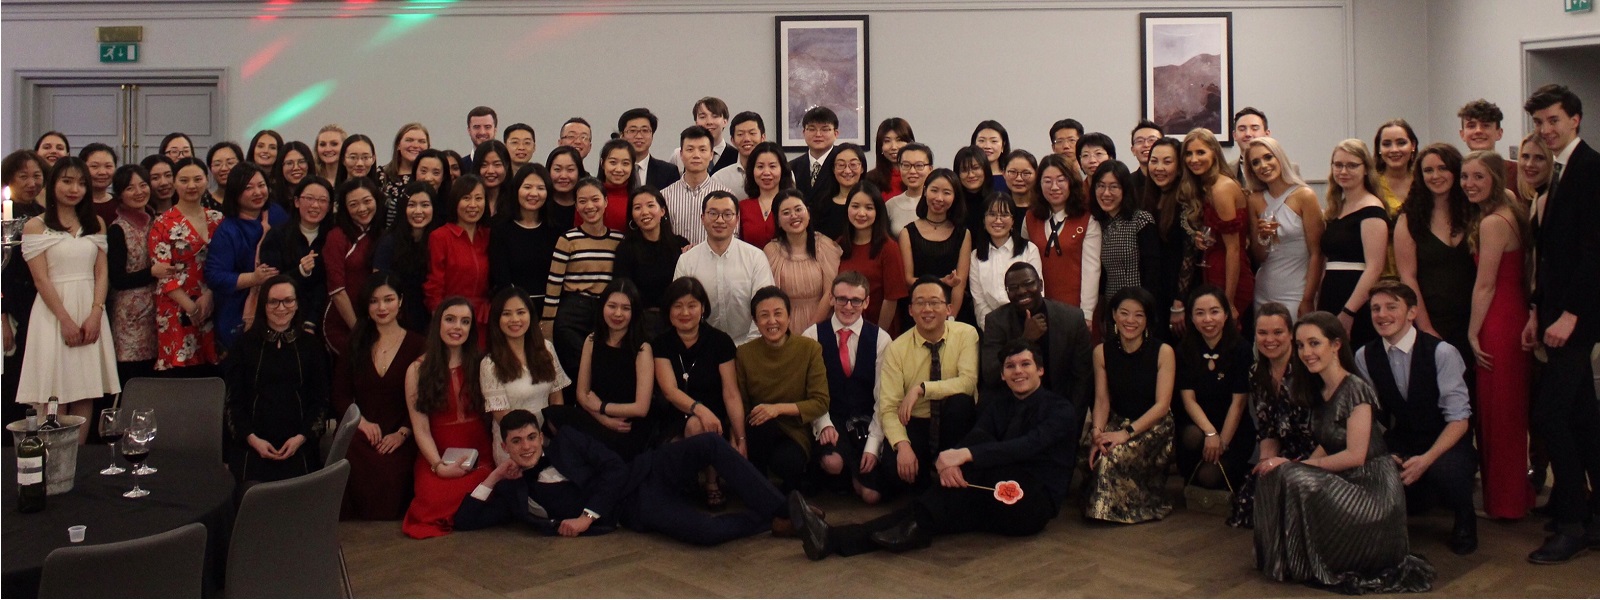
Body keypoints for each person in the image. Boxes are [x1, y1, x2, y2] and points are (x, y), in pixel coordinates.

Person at [790, 340, 1079, 560]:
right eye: (1010, 366)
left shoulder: (1060, 409)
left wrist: (963, 457)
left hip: (1030, 503)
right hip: (991, 492)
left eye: (1025, 364)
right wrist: (953, 461)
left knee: (942, 499)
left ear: (1040, 370)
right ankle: (832, 539)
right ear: (1002, 375)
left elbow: (1026, 446)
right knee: (929, 509)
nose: (1018, 371)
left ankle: (863, 533)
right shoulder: (999, 404)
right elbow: (979, 436)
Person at [1254, 311, 1436, 593]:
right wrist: (1289, 466)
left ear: (1336, 344)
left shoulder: (1356, 389)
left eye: (1314, 343)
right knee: (1272, 474)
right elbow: (1327, 442)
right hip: (1346, 479)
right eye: (1300, 345)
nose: (1306, 352)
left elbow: (1355, 456)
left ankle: (1317, 558)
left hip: (1371, 489)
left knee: (1290, 472)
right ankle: (1287, 561)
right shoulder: (1318, 389)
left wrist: (1297, 467)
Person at [455, 409, 795, 545]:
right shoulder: (515, 493)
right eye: (516, 442)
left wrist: (587, 517)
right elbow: (465, 521)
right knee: (705, 533)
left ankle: (788, 510)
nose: (527, 446)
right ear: (505, 446)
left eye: (531, 437)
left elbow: (615, 467)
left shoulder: (568, 441)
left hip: (645, 470)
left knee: (708, 442)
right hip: (635, 505)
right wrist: (495, 476)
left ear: (541, 436)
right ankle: (775, 520)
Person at [1522, 83, 1600, 564]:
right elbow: (1551, 256)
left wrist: (1570, 314)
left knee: (1550, 416)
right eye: (1538, 122)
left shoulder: (1591, 168)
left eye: (1553, 120)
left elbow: (1594, 252)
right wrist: (1537, 309)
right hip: (1556, 311)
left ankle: (1573, 523)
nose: (1546, 129)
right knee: (1584, 416)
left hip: (1578, 315)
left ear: (1575, 119)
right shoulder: (1559, 170)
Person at [1351, 281, 1478, 554]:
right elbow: (1370, 414)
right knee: (1371, 464)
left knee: (1447, 471)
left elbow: (1459, 420)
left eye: (1391, 307)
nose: (1382, 315)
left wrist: (1427, 459)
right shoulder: (1364, 355)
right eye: (1375, 309)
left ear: (1411, 312)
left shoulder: (1442, 352)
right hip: (1405, 437)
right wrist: (1384, 452)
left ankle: (1465, 517)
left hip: (1446, 438)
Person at [16, 156, 120, 437]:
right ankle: (51, 457)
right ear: (53, 184)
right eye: (67, 181)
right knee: (54, 391)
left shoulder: (96, 223)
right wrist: (65, 320)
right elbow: (40, 279)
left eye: (81, 183)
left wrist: (96, 312)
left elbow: (101, 272)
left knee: (85, 388)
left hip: (89, 307)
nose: (74, 189)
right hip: (53, 311)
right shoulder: (36, 226)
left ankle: (78, 456)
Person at [1461, 151, 1535, 523]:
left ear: (1495, 178)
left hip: (1498, 321)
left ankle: (1505, 503)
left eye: (1478, 177)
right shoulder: (1511, 210)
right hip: (1514, 313)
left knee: (1499, 415)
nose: (1469, 184)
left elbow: (1485, 285)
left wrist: (1472, 332)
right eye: (1465, 177)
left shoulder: (1493, 222)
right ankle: (1515, 495)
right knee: (1509, 411)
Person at [402, 298, 494, 539]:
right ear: (438, 323)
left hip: (480, 454)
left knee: (486, 484)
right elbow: (421, 429)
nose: (457, 327)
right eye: (450, 319)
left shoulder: (483, 363)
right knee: (430, 505)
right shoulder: (417, 370)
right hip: (437, 453)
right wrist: (439, 466)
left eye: (465, 322)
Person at [334, 275, 424, 520]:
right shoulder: (354, 343)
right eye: (374, 301)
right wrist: (361, 423)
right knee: (351, 453)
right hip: (363, 431)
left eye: (388, 299)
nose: (381, 307)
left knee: (391, 471)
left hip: (403, 433)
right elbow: (340, 395)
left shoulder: (419, 344)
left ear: (400, 301)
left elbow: (424, 400)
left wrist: (402, 433)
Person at [1083, 286, 1175, 523]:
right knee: (1095, 453)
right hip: (1117, 420)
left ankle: (1138, 505)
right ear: (1114, 314)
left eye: (1138, 315)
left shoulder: (1163, 352)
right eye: (1124, 313)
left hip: (1153, 425)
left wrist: (1126, 433)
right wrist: (1098, 432)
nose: (1130, 321)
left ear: (1147, 319)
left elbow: (1162, 406)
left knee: (1112, 457)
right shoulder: (1101, 352)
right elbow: (1102, 400)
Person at [652, 276, 746, 508]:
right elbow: (670, 391)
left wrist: (740, 437)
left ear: (703, 308)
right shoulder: (661, 343)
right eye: (678, 306)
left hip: (715, 418)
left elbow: (731, 393)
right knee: (691, 429)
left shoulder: (720, 342)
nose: (685, 312)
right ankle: (691, 482)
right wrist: (700, 410)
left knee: (701, 425)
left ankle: (712, 482)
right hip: (673, 417)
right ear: (668, 310)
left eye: (692, 305)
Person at [878, 277, 979, 490]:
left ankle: (948, 469)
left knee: (961, 402)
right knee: (894, 473)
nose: (927, 309)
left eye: (934, 302)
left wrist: (922, 388)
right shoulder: (896, 348)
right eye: (920, 303)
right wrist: (902, 446)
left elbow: (968, 383)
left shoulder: (966, 334)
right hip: (917, 422)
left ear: (948, 308)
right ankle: (926, 477)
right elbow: (888, 407)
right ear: (910, 310)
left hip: (953, 421)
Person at [226, 276, 328, 482]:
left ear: (297, 303)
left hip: (300, 447)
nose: (281, 308)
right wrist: (253, 440)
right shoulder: (243, 346)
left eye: (288, 301)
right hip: (252, 448)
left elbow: (320, 401)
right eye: (273, 302)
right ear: (263, 305)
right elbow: (233, 402)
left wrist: (300, 439)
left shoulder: (312, 347)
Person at [801, 272, 893, 503]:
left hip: (866, 421)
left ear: (867, 302)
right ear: (831, 299)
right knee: (833, 463)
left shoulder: (881, 339)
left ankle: (849, 478)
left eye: (856, 301)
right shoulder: (811, 336)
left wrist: (873, 446)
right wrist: (823, 424)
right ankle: (838, 472)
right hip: (830, 417)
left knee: (872, 496)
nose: (848, 306)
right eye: (842, 299)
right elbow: (810, 391)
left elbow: (884, 398)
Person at [735, 286, 830, 492]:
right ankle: (760, 494)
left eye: (778, 313)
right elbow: (741, 403)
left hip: (794, 430)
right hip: (758, 429)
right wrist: (738, 437)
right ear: (755, 320)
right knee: (759, 424)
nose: (772, 321)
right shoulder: (744, 353)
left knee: (788, 461)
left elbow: (820, 402)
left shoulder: (809, 349)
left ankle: (787, 498)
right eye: (764, 315)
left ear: (789, 316)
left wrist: (777, 409)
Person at [1228, 302, 1315, 529]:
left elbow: (1327, 432)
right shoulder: (1256, 373)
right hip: (1283, 451)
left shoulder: (1308, 369)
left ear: (1291, 334)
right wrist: (1265, 463)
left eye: (1278, 332)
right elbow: (1267, 428)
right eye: (1262, 333)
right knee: (1250, 504)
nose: (1270, 339)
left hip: (1317, 453)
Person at [979, 263, 1093, 424]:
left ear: (1040, 284)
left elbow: (1082, 379)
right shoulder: (996, 321)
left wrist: (1071, 422)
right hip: (1012, 409)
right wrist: (1025, 340)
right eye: (1013, 287)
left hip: (1058, 407)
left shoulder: (1071, 318)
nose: (1021, 291)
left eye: (1028, 284)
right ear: (1007, 292)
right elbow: (991, 374)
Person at [1175, 285, 1255, 496]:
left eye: (1214, 311)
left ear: (1226, 314)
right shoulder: (1184, 349)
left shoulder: (1241, 349)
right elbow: (1188, 400)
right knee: (1192, 436)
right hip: (1199, 425)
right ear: (1191, 318)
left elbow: (1238, 403)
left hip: (1232, 428)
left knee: (1209, 477)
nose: (1208, 319)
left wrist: (1222, 443)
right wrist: (1210, 433)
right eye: (1200, 313)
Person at [542, 177, 624, 383]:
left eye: (595, 199)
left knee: (605, 370)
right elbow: (554, 284)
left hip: (606, 314)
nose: (589, 206)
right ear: (576, 206)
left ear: (605, 201)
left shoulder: (619, 240)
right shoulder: (567, 239)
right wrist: (547, 324)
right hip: (573, 313)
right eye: (582, 201)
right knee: (578, 372)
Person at [1394, 144, 1473, 355]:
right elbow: (1408, 277)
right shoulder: (1409, 220)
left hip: (1473, 318)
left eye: (1442, 168)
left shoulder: (1473, 212)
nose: (1435, 176)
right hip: (1431, 318)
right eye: (1428, 170)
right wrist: (1426, 328)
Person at [479, 286, 568, 464]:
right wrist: (529, 443)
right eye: (506, 314)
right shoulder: (490, 364)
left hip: (548, 438)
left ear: (530, 315)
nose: (515, 319)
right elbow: (503, 418)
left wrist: (552, 434)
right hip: (515, 446)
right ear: (497, 319)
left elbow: (557, 397)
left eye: (521, 312)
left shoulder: (547, 349)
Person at [675, 190, 775, 344]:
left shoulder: (755, 258)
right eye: (713, 213)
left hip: (748, 346)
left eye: (727, 214)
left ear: (737, 219)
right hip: (701, 346)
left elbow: (765, 307)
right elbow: (680, 309)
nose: (720, 220)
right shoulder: (687, 261)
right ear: (702, 218)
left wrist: (749, 348)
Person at [205, 163, 287, 349]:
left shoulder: (277, 214)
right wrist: (253, 278)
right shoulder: (228, 230)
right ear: (235, 193)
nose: (257, 192)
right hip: (239, 309)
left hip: (280, 305)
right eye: (248, 188)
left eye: (261, 185)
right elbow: (214, 276)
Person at [149, 157, 220, 373]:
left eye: (197, 179)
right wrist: (192, 308)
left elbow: (226, 263)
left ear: (207, 180)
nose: (191, 186)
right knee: (179, 373)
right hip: (176, 305)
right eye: (184, 180)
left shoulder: (217, 218)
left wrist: (209, 297)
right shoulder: (162, 222)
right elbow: (163, 272)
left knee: (211, 371)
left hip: (212, 302)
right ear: (174, 183)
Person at [1316, 139, 1388, 348]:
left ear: (1366, 169)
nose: (1343, 171)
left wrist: (1349, 311)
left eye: (1352, 165)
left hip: (1356, 297)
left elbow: (1375, 267)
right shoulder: (1336, 208)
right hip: (1331, 291)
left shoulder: (1372, 209)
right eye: (1338, 165)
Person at [105, 165, 170, 385]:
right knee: (133, 379)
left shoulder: (156, 221)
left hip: (157, 310)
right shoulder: (118, 229)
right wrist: (151, 272)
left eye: (143, 185)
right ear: (120, 194)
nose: (139, 192)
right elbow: (117, 279)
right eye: (130, 188)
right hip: (130, 316)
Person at [1245, 137, 1323, 318]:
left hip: (1297, 291)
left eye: (1268, 157)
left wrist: (1308, 299)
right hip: (1264, 289)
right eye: (1255, 162)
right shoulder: (1254, 200)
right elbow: (1258, 257)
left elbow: (1317, 253)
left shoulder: (1304, 196)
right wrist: (1263, 238)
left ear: (1279, 157)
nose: (1263, 165)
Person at [1180, 128, 1254, 319]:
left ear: (1214, 153)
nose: (1193, 159)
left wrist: (1228, 301)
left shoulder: (1221, 188)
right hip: (1213, 267)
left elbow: (1234, 249)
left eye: (1200, 152)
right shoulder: (1207, 185)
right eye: (1188, 154)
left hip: (1229, 276)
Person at [1026, 154, 1100, 321]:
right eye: (1047, 181)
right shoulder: (1030, 218)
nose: (1054, 187)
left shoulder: (1088, 219)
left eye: (1061, 180)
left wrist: (1086, 313)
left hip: (1076, 308)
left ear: (1071, 182)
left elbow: (1092, 270)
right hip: (1040, 308)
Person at [613, 186, 689, 338]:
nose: (644, 212)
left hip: (678, 319)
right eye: (637, 208)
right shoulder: (625, 249)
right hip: (641, 322)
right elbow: (623, 291)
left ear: (662, 211)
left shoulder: (680, 245)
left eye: (650, 205)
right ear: (632, 215)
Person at [765, 191, 842, 335]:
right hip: (783, 325)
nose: (794, 216)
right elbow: (770, 296)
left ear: (808, 213)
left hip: (821, 323)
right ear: (778, 221)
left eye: (798, 209)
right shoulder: (771, 251)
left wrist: (811, 331)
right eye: (786, 213)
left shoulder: (825, 245)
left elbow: (829, 293)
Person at [322, 177, 383, 358]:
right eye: (353, 204)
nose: (362, 209)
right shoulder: (337, 237)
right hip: (341, 321)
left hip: (377, 317)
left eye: (367, 201)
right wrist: (358, 330)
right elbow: (337, 290)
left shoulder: (383, 234)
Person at [1090, 161, 1159, 319]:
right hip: (1112, 307)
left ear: (1125, 189)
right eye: (1100, 186)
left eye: (1114, 187)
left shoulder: (1141, 220)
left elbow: (1153, 273)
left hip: (1140, 306)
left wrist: (1146, 307)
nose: (1106, 193)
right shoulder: (1097, 224)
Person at [836, 182, 907, 331]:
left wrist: (876, 335)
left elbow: (891, 299)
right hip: (843, 327)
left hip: (878, 327)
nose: (861, 213)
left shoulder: (889, 248)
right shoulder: (839, 245)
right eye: (855, 206)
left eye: (869, 208)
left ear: (878, 211)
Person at [425, 175, 491, 332]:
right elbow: (434, 285)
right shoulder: (440, 237)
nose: (473, 205)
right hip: (451, 318)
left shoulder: (488, 235)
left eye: (478, 198)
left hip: (483, 319)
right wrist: (440, 319)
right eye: (466, 198)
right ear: (455, 201)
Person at [373, 181, 441, 332]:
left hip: (432, 317)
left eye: (425, 205)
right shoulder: (389, 242)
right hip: (397, 318)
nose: (418, 211)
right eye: (411, 205)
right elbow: (379, 286)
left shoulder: (439, 240)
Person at [969, 193, 1041, 330]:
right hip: (992, 329)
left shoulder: (1029, 249)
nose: (998, 220)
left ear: (1013, 220)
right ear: (984, 220)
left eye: (1004, 215)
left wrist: (1026, 326)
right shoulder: (976, 256)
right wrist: (994, 331)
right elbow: (979, 303)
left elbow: (1037, 294)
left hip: (1028, 325)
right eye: (992, 214)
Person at [488, 164, 559, 302]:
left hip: (550, 306)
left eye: (540, 188)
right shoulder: (499, 228)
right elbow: (501, 278)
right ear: (516, 190)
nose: (534, 193)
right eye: (527, 187)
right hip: (511, 305)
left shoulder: (555, 230)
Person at [1148, 138, 1196, 337]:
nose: (1159, 168)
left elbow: (1189, 255)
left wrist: (1179, 302)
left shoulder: (1186, 201)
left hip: (1178, 295)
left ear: (1179, 167)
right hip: (1155, 291)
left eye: (1167, 162)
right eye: (1154, 161)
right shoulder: (1148, 196)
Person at [661, 125, 735, 246]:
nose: (696, 155)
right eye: (690, 149)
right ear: (681, 154)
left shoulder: (727, 197)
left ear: (711, 154)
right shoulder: (664, 196)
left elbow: (733, 236)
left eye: (702, 150)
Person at [1458, 99, 1516, 199]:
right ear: (1462, 134)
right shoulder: (1454, 173)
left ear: (1499, 133)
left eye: (1486, 125)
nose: (1478, 131)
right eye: (1471, 126)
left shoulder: (1517, 173)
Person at [738, 141, 791, 250]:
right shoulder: (742, 207)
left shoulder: (792, 205)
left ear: (782, 169)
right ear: (752, 170)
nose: (766, 172)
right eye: (760, 166)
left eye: (772, 166)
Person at [809, 143, 868, 239]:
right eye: (841, 165)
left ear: (862, 168)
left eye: (853, 165)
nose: (847, 171)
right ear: (833, 169)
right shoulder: (821, 204)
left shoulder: (872, 200)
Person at [668, 97, 738, 174]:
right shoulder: (678, 156)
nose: (709, 122)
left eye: (715, 116)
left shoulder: (737, 156)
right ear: (696, 122)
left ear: (725, 121)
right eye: (702, 117)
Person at [618, 107, 679, 190]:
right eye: (632, 130)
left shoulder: (668, 172)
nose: (639, 136)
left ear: (652, 135)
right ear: (622, 136)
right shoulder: (614, 170)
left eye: (645, 130)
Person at [709, 111, 768, 194]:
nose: (747, 139)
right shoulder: (720, 179)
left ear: (763, 137)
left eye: (752, 133)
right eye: (740, 134)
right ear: (732, 140)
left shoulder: (776, 174)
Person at [381, 123, 430, 218]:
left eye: (421, 141)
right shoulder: (381, 174)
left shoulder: (432, 177)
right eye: (409, 140)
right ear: (398, 145)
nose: (415, 145)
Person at [1374, 119, 1419, 218]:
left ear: (1413, 145)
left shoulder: (1423, 181)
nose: (1394, 150)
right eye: (1386, 144)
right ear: (1379, 149)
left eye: (1401, 143)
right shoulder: (1371, 184)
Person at [791, 106, 839, 198]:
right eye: (812, 129)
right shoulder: (792, 167)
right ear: (804, 132)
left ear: (836, 133)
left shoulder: (842, 165)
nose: (818, 134)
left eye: (825, 129)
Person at [884, 143, 932, 236]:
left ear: (930, 169)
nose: (912, 171)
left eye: (919, 165)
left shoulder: (936, 202)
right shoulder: (891, 205)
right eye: (906, 165)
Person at [955, 146, 998, 239]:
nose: (970, 175)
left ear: (985, 169)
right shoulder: (952, 204)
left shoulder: (997, 201)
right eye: (964, 170)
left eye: (976, 168)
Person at [864, 118, 913, 199]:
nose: (893, 147)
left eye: (899, 140)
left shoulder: (921, 176)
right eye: (887, 141)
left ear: (910, 143)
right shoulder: (870, 179)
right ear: (880, 147)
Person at [596, 139, 637, 230]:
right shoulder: (589, 196)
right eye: (613, 162)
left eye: (625, 163)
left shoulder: (637, 199)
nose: (618, 169)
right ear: (602, 163)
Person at [470, 140, 512, 218]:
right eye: (484, 165)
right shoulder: (467, 202)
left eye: (497, 164)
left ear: (507, 166)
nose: (490, 171)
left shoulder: (515, 201)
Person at [545, 146, 583, 228]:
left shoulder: (586, 206)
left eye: (570, 170)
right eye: (557, 169)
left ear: (579, 172)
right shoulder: (540, 204)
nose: (563, 176)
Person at [270, 141, 313, 215]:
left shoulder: (320, 194)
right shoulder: (271, 198)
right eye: (289, 163)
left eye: (301, 162)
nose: (296, 168)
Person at [80, 143, 118, 224]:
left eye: (108, 166)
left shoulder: (122, 204)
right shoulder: (74, 203)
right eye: (94, 166)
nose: (102, 172)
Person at [1231, 107, 1272, 181]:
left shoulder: (1285, 168)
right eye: (1242, 129)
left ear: (1267, 134)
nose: (1248, 134)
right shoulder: (1225, 171)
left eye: (1255, 128)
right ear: (1234, 135)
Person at [1128, 120, 1164, 200]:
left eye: (1152, 140)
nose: (1146, 145)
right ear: (1133, 150)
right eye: (1139, 141)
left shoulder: (1175, 180)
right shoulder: (1127, 183)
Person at [970, 121, 1010, 190]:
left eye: (994, 141)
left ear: (1003, 146)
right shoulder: (968, 178)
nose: (987, 146)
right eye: (981, 141)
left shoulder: (1010, 178)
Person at [461, 105, 498, 172]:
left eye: (487, 127)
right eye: (476, 127)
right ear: (469, 131)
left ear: (495, 130)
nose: (482, 132)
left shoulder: (508, 165)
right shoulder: (460, 167)